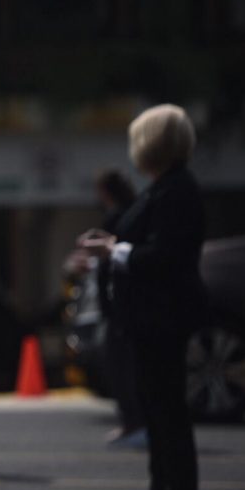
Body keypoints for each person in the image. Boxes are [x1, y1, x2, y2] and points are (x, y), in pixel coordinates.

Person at [79, 104, 204, 490]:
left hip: (163, 319)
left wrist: (114, 250)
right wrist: (114, 243)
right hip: (148, 320)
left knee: (169, 416)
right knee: (156, 414)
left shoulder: (177, 191)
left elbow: (164, 255)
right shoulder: (161, 188)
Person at [95, 169, 148, 449]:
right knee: (126, 366)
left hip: (119, 305)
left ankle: (133, 422)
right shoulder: (130, 212)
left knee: (120, 367)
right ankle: (133, 422)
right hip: (125, 304)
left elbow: (116, 259)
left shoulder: (119, 217)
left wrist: (100, 252)